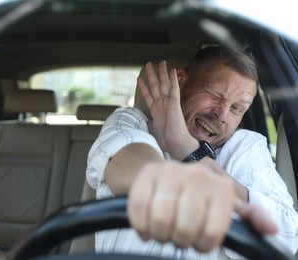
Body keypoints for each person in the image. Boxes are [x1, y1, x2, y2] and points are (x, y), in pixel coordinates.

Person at [86, 46, 298, 259]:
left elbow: (286, 238)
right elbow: (130, 170)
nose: (222, 114)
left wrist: (190, 153)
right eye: (215, 94)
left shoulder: (245, 146)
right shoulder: (131, 122)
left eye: (236, 108)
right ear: (180, 81)